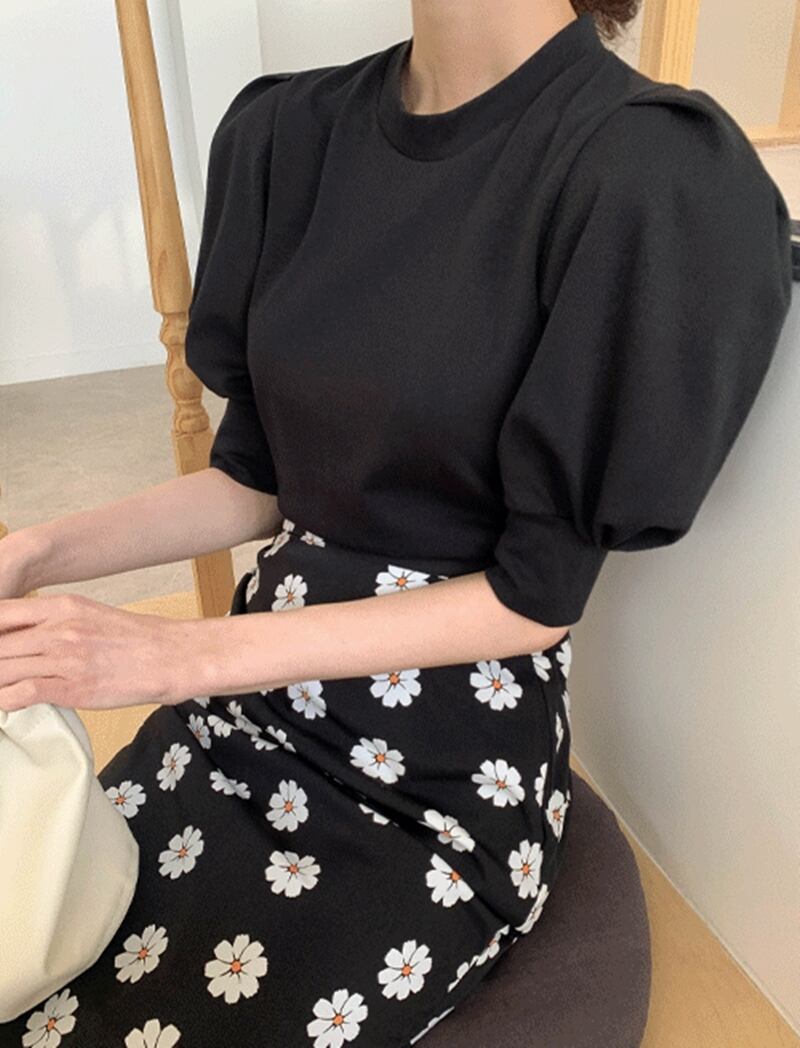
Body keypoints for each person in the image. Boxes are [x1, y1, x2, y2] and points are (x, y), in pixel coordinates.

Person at [0, 1, 792, 1045]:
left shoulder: (648, 172)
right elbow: (256, 482)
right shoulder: (288, 133)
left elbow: (534, 599)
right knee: (43, 947)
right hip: (246, 705)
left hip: (434, 763)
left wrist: (167, 655)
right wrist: (36, 553)